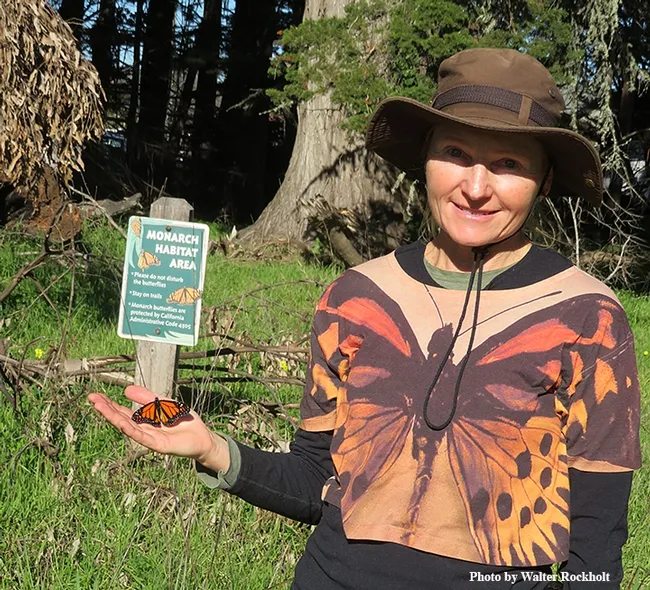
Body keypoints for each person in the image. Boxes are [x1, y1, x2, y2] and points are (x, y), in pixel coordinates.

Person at [89, 48, 641, 589]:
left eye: (508, 164)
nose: (476, 188)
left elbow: (595, 538)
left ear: (544, 181)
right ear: (424, 158)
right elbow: (318, 479)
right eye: (455, 153)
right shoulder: (355, 297)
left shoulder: (588, 316)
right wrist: (214, 450)